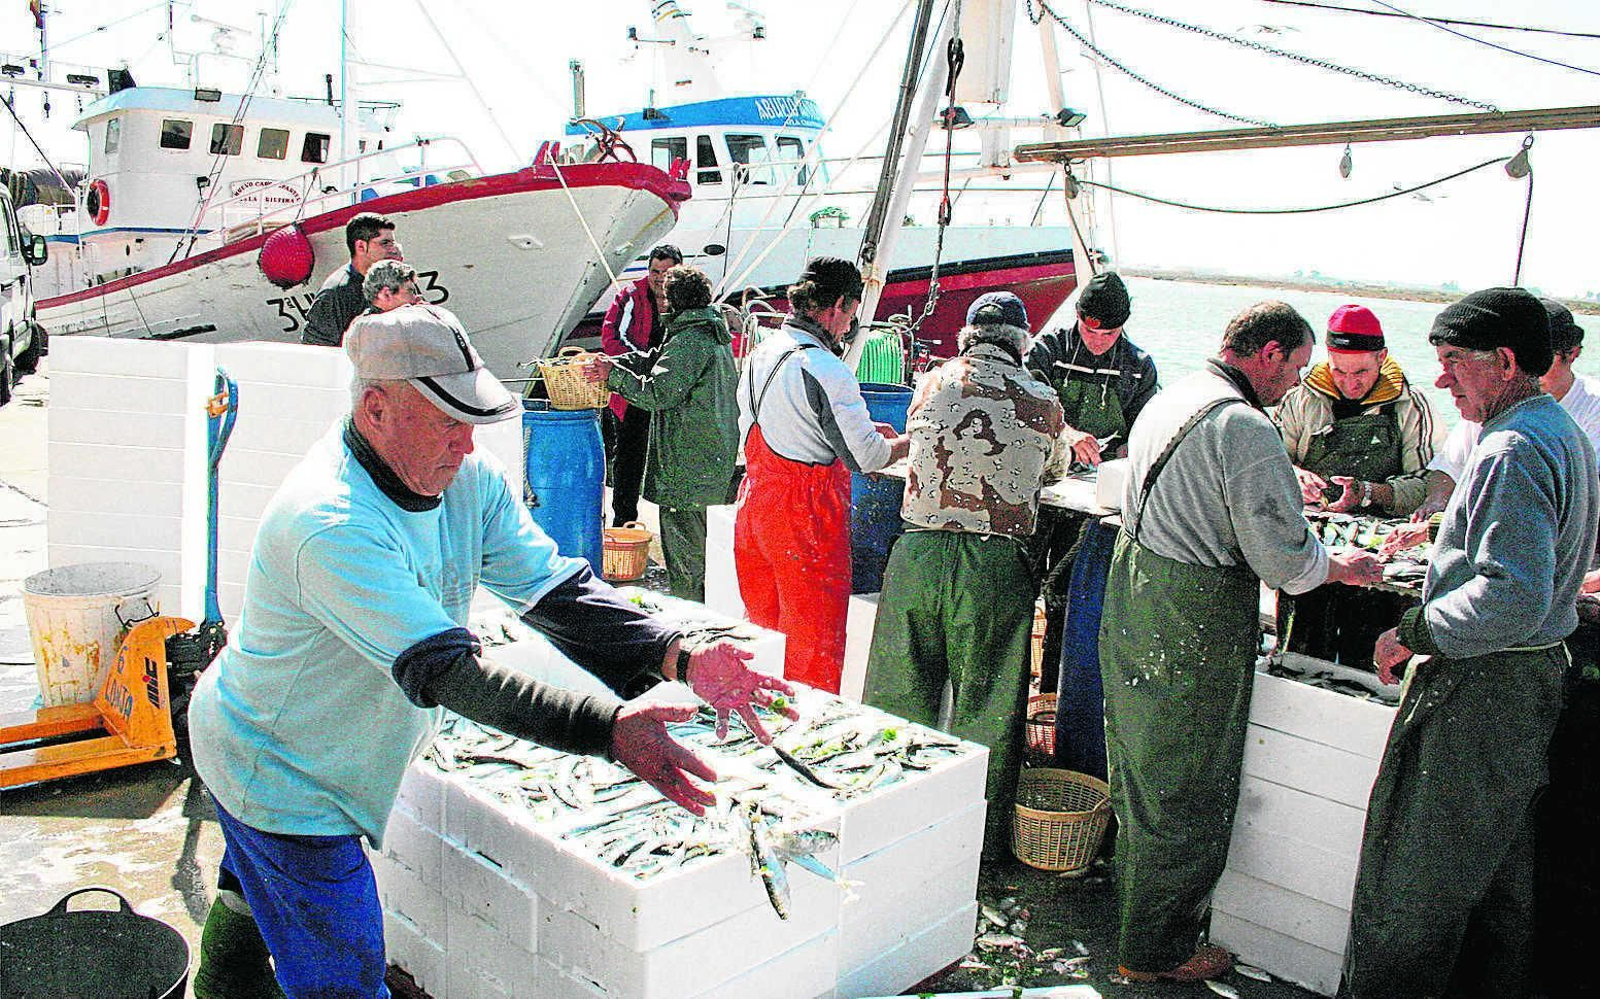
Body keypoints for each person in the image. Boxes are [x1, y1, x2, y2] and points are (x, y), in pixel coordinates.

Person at [187, 304, 792, 998]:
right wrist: (605, 730)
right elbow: (450, 673)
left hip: (315, 739)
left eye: (471, 421)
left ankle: (218, 985)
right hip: (279, 768)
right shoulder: (328, 521)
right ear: (376, 408)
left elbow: (552, 590)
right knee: (343, 967)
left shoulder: (463, 481)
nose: (468, 445)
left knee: (252, 891)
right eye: (448, 421)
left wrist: (680, 655)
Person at [1099, 301, 1381, 983]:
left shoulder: (1175, 397)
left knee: (1142, 771)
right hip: (1191, 617)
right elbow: (1286, 561)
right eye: (1297, 368)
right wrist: (1343, 565)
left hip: (1135, 594)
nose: (1294, 385)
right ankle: (1156, 950)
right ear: (1270, 352)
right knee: (1187, 785)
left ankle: (1137, 921)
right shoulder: (1246, 427)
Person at [1345, 287, 1597, 998]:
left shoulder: (1512, 448)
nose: (1443, 379)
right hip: (1535, 683)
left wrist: (1414, 629)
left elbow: (1510, 596)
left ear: (1506, 360)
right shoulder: (1563, 433)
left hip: (1485, 689)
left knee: (1415, 886)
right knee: (1497, 883)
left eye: (1454, 361)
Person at [863, 292, 1064, 855]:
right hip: (993, 565)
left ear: (967, 337)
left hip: (917, 557)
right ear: (1022, 341)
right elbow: (1051, 471)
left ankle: (887, 825)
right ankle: (976, 848)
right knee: (987, 709)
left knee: (898, 699)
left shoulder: (930, 382)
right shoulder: (1043, 398)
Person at [734, 256, 909, 693]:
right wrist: (911, 441)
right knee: (813, 649)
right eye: (851, 314)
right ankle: (808, 739)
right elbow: (865, 458)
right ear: (836, 306)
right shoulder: (827, 369)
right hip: (804, 520)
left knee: (763, 636)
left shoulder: (761, 352)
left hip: (754, 509)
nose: (850, 325)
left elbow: (791, 424)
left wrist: (865, 433)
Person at [1272, 304, 1439, 664]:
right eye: (1339, 371)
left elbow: (1426, 485)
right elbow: (1270, 460)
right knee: (1299, 651)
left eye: (1361, 371)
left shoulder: (1411, 404)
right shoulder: (1300, 397)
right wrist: (1292, 474)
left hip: (1383, 555)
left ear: (1382, 357)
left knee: (1364, 656)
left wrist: (1368, 493)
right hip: (1314, 548)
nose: (1349, 383)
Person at [1024, 271, 1158, 693]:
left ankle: (1049, 692)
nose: (1098, 340)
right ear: (1078, 318)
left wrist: (1120, 453)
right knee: (1018, 589)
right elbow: (1026, 402)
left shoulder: (1138, 368)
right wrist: (1066, 432)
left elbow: (1145, 433)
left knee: (1067, 599)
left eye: (1110, 333)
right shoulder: (1048, 349)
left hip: (1091, 506)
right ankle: (1011, 687)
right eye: (1089, 330)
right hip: (1037, 494)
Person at [587, 265, 738, 602]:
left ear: (672, 301)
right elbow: (659, 360)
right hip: (706, 459)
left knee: (686, 562)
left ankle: (692, 629)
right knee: (701, 554)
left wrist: (614, 378)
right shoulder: (706, 331)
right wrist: (621, 363)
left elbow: (659, 393)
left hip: (686, 467)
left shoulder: (691, 338)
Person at [600, 244, 683, 527]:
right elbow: (612, 339)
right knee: (628, 459)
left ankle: (669, 523)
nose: (659, 278)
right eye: (654, 272)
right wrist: (645, 367)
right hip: (633, 392)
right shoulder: (630, 296)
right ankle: (624, 521)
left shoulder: (684, 301)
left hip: (670, 393)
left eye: (666, 273)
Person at [301, 212, 403, 347]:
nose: (393, 250)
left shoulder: (390, 280)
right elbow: (316, 350)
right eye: (385, 243)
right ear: (361, 247)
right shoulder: (335, 293)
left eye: (393, 243)